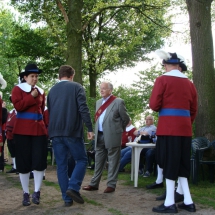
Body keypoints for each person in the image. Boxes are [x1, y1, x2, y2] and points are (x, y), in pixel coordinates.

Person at [150, 50, 197, 213]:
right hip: (185, 129)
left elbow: (154, 105)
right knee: (183, 165)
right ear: (178, 65)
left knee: (168, 163)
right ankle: (188, 202)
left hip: (168, 128)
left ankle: (170, 203)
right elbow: (194, 109)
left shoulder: (162, 80)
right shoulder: (190, 83)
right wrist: (185, 123)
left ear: (166, 65)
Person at [47, 65, 94, 207]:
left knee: (61, 166)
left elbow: (49, 111)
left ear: (59, 76)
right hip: (72, 130)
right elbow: (83, 108)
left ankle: (67, 199)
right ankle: (73, 187)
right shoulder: (76, 87)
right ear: (72, 75)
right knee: (81, 160)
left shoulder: (51, 91)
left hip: (55, 132)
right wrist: (89, 128)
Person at [82, 81, 130, 193]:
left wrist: (118, 130)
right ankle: (94, 184)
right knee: (98, 160)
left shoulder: (118, 102)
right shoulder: (99, 102)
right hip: (99, 135)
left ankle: (111, 185)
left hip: (113, 135)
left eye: (104, 88)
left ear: (110, 90)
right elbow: (98, 119)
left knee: (113, 160)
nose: (101, 90)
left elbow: (126, 119)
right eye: (100, 88)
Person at [11, 63, 48, 206]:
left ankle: (37, 192)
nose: (35, 79)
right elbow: (18, 106)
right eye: (32, 76)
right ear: (25, 77)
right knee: (23, 163)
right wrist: (31, 96)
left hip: (39, 131)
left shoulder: (41, 91)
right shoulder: (17, 89)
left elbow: (42, 109)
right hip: (22, 131)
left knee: (39, 162)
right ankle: (26, 193)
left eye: (36, 76)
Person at [6, 96, 18, 174]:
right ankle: (15, 167)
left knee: (18, 151)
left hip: (16, 134)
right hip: (9, 134)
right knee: (12, 151)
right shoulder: (11, 112)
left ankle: (19, 167)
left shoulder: (19, 111)